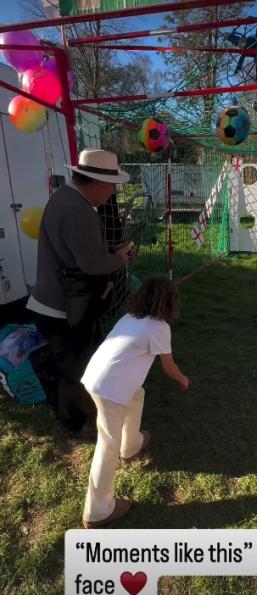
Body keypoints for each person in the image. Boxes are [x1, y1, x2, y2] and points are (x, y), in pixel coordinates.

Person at [27, 149, 134, 438]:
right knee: (74, 369)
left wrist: (109, 256)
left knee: (74, 360)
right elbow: (92, 263)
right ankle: (72, 423)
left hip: (53, 302)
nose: (113, 192)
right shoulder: (79, 210)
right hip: (61, 308)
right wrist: (120, 258)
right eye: (111, 185)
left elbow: (79, 256)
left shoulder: (66, 198)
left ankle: (60, 387)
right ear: (97, 182)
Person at [80, 276, 190, 528]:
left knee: (137, 395)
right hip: (109, 390)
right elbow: (169, 367)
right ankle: (97, 511)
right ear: (170, 304)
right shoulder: (159, 328)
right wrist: (183, 380)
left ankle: (130, 446)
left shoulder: (130, 317)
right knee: (107, 444)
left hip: (97, 377)